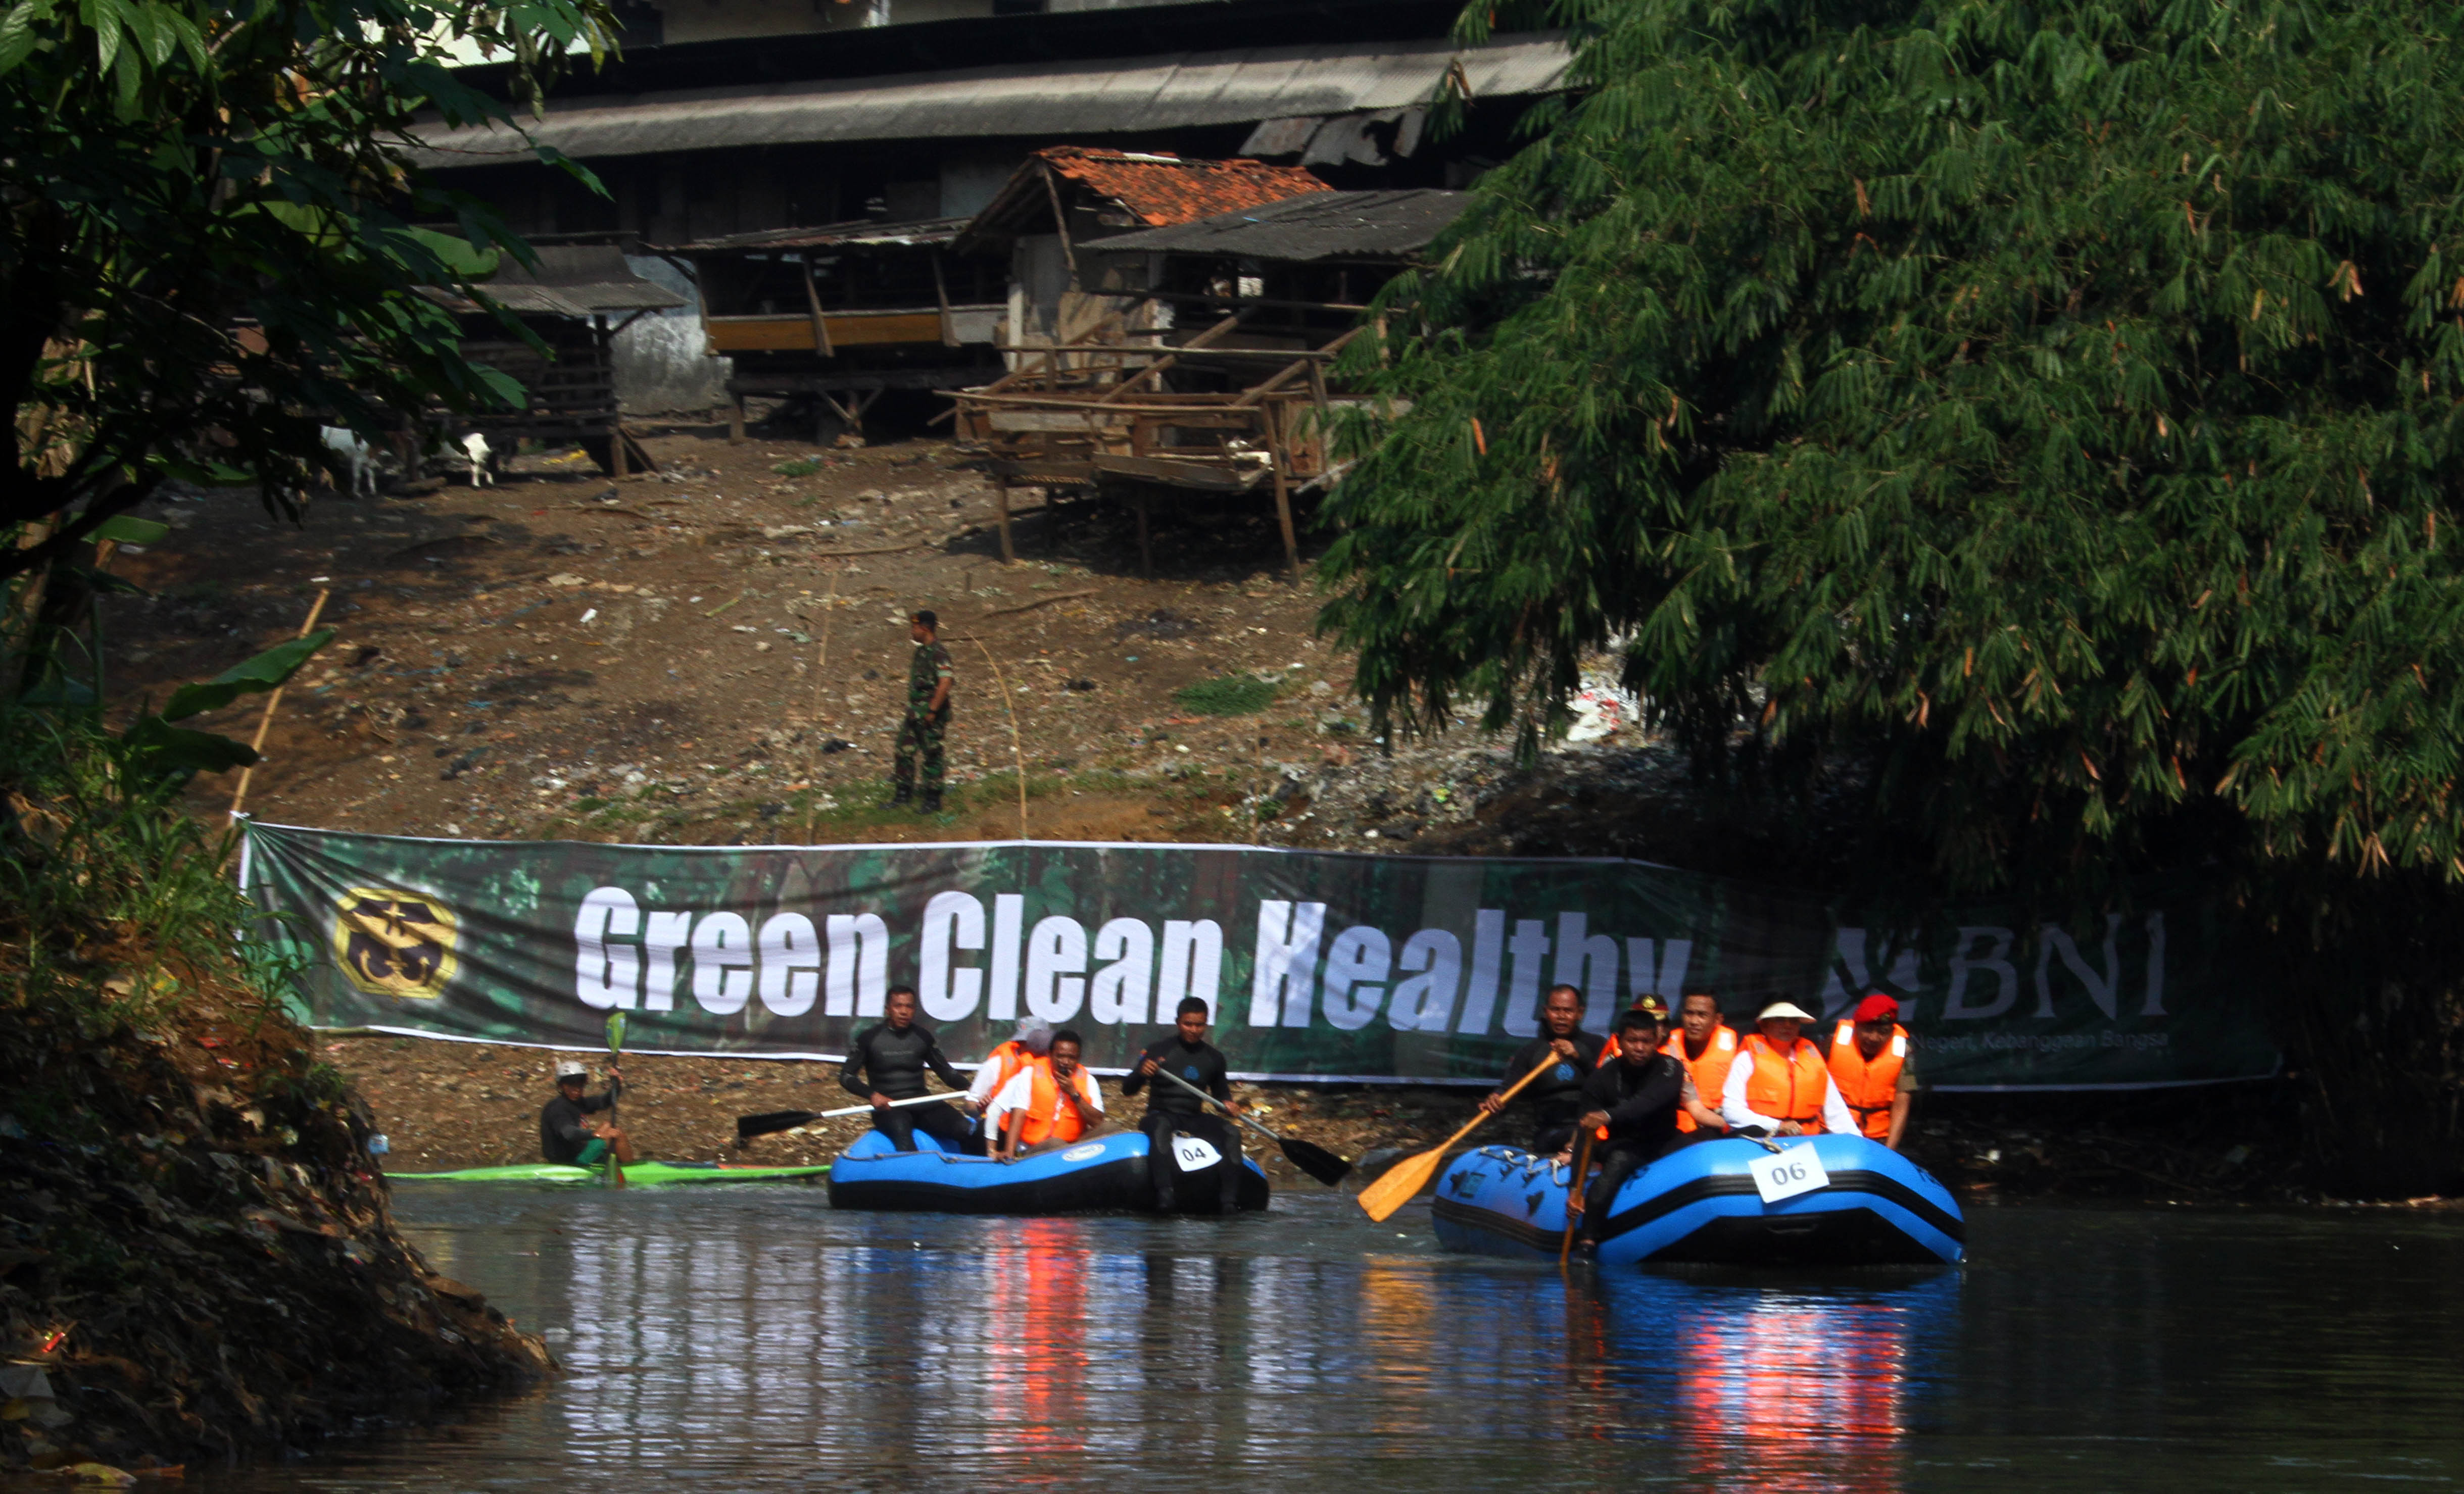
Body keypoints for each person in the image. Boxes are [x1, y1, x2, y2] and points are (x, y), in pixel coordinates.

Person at [1572, 1007, 1687, 1244]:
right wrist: (1575, 1187)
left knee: (1702, 1147)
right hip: (1625, 1143)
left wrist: (1607, 1115)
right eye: (1632, 1040)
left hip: (1665, 1140)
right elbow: (1586, 1133)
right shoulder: (1601, 1079)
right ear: (1619, 1041)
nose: (1640, 1048)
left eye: (1646, 1041)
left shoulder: (1671, 1068)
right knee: (1618, 1161)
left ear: (1657, 1041)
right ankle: (1588, 1241)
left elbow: (1648, 1102)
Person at [1122, 996, 1244, 1211]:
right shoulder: (1159, 1050)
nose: (1194, 1030)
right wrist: (1142, 1073)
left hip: (1193, 1117)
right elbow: (1128, 1090)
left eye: (1199, 1025)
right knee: (1161, 1127)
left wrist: (1228, 1104)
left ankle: (1229, 1203)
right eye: (1188, 1024)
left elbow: (1220, 1095)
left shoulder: (1214, 1058)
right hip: (1161, 1114)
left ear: (1206, 1024)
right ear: (1178, 1023)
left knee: (1233, 1134)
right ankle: (1165, 1196)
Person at [842, 984, 977, 1153]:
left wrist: (971, 1089)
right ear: (888, 1009)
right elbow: (847, 1076)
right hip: (889, 1108)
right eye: (898, 1006)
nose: (904, 1012)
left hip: (921, 1101)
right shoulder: (869, 1038)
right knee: (902, 1134)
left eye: (909, 1006)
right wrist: (873, 1095)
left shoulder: (922, 1037)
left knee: (964, 1129)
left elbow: (947, 1073)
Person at [1479, 983, 1606, 1155]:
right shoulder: (1530, 1052)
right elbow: (1508, 1090)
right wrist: (1497, 1101)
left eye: (1568, 1011)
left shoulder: (1597, 1045)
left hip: (1593, 1129)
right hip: (1550, 1133)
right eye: (1555, 1010)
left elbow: (1609, 1088)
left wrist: (1580, 1058)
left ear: (1580, 1013)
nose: (1561, 1017)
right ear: (1546, 1012)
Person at [1721, 1000, 1857, 1136]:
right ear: (1764, 1026)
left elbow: (1837, 1113)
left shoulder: (1814, 1062)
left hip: (1806, 1141)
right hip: (1759, 1140)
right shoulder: (1746, 1059)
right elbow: (1732, 1111)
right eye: (1780, 1020)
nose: (1788, 1025)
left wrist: (1857, 1142)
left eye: (1793, 1021)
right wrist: (1778, 1125)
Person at [989, 1028, 1106, 1160]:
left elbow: (1098, 1123)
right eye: (1060, 1056)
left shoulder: (1089, 1081)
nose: (1065, 1062)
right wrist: (1009, 1152)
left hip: (1074, 1147)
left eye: (1071, 1058)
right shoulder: (1030, 1074)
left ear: (1078, 1058)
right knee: (1057, 1144)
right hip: (1036, 1149)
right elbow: (1019, 1112)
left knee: (1110, 1129)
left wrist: (1074, 1094)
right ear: (1050, 1055)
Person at [1827, 992, 1919, 1150]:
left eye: (1883, 1032)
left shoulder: (1904, 1052)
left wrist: (1890, 1150)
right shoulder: (1832, 1043)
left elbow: (1902, 1105)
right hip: (1833, 1131)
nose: (1874, 1038)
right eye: (1868, 1030)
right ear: (1857, 1026)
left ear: (1892, 1031)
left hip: (1877, 1137)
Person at [892, 609, 954, 813]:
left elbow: (945, 682)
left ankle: (933, 799)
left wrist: (933, 710)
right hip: (915, 713)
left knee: (932, 755)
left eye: (915, 627)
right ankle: (903, 794)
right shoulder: (921, 652)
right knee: (903, 751)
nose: (912, 631)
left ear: (925, 628)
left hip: (929, 715)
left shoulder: (939, 653)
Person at [1661, 990, 1739, 1136]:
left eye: (1702, 1015)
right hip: (1674, 1127)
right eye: (1689, 1014)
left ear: (1718, 1020)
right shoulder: (1664, 1046)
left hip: (1719, 1122)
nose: (1694, 1021)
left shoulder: (1737, 1050)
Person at [540, 1059, 634, 1166]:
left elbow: (604, 1102)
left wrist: (616, 1085)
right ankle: (630, 1169)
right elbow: (569, 1133)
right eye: (571, 1086)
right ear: (561, 1086)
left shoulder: (577, 1102)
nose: (576, 1090)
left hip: (576, 1152)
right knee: (616, 1135)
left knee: (608, 1126)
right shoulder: (557, 1108)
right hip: (567, 1161)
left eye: (580, 1085)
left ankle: (618, 1163)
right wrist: (596, 1134)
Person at [965, 1016, 1053, 1121]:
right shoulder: (996, 1064)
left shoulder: (1053, 1066)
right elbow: (969, 1106)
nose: (1038, 1047)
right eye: (1032, 1042)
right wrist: (982, 1108)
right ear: (1021, 1042)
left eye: (1042, 1044)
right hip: (1001, 1124)